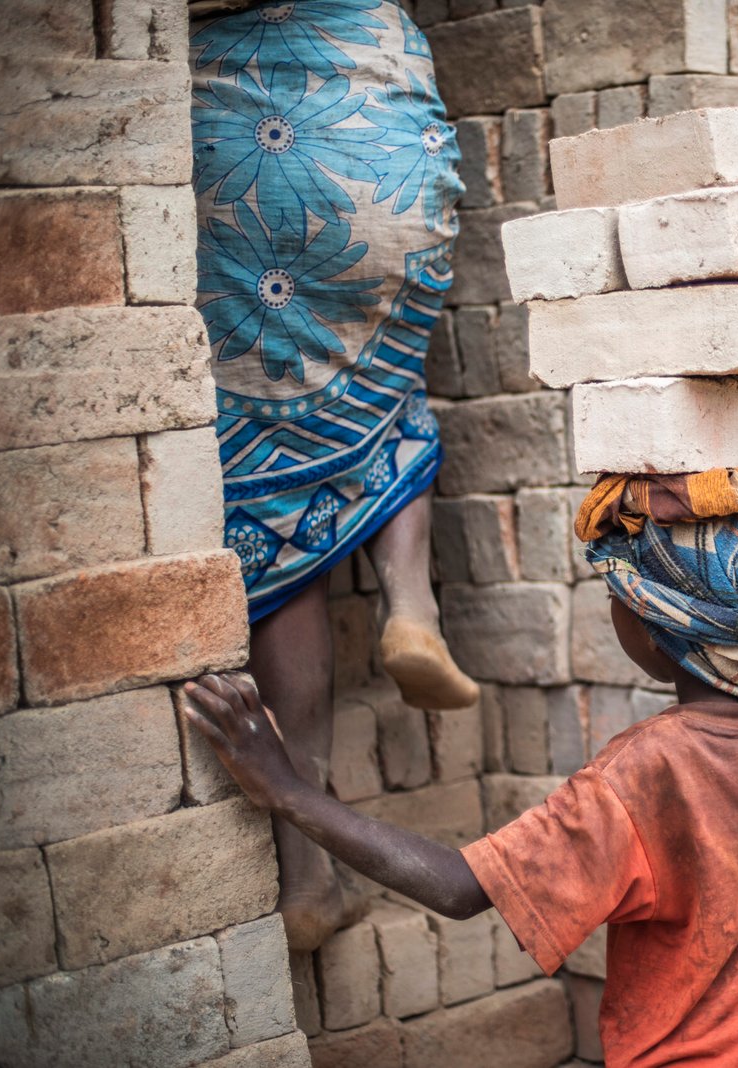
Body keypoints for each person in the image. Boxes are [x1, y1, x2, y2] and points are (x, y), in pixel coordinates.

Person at [181, 504, 738, 1066]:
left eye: (616, 597)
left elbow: (459, 885)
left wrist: (287, 789)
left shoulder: (646, 777)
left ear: (657, 633)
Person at [185, 0, 479, 950]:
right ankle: (410, 602)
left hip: (233, 145)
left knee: (273, 516)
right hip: (375, 119)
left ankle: (308, 875)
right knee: (385, 391)